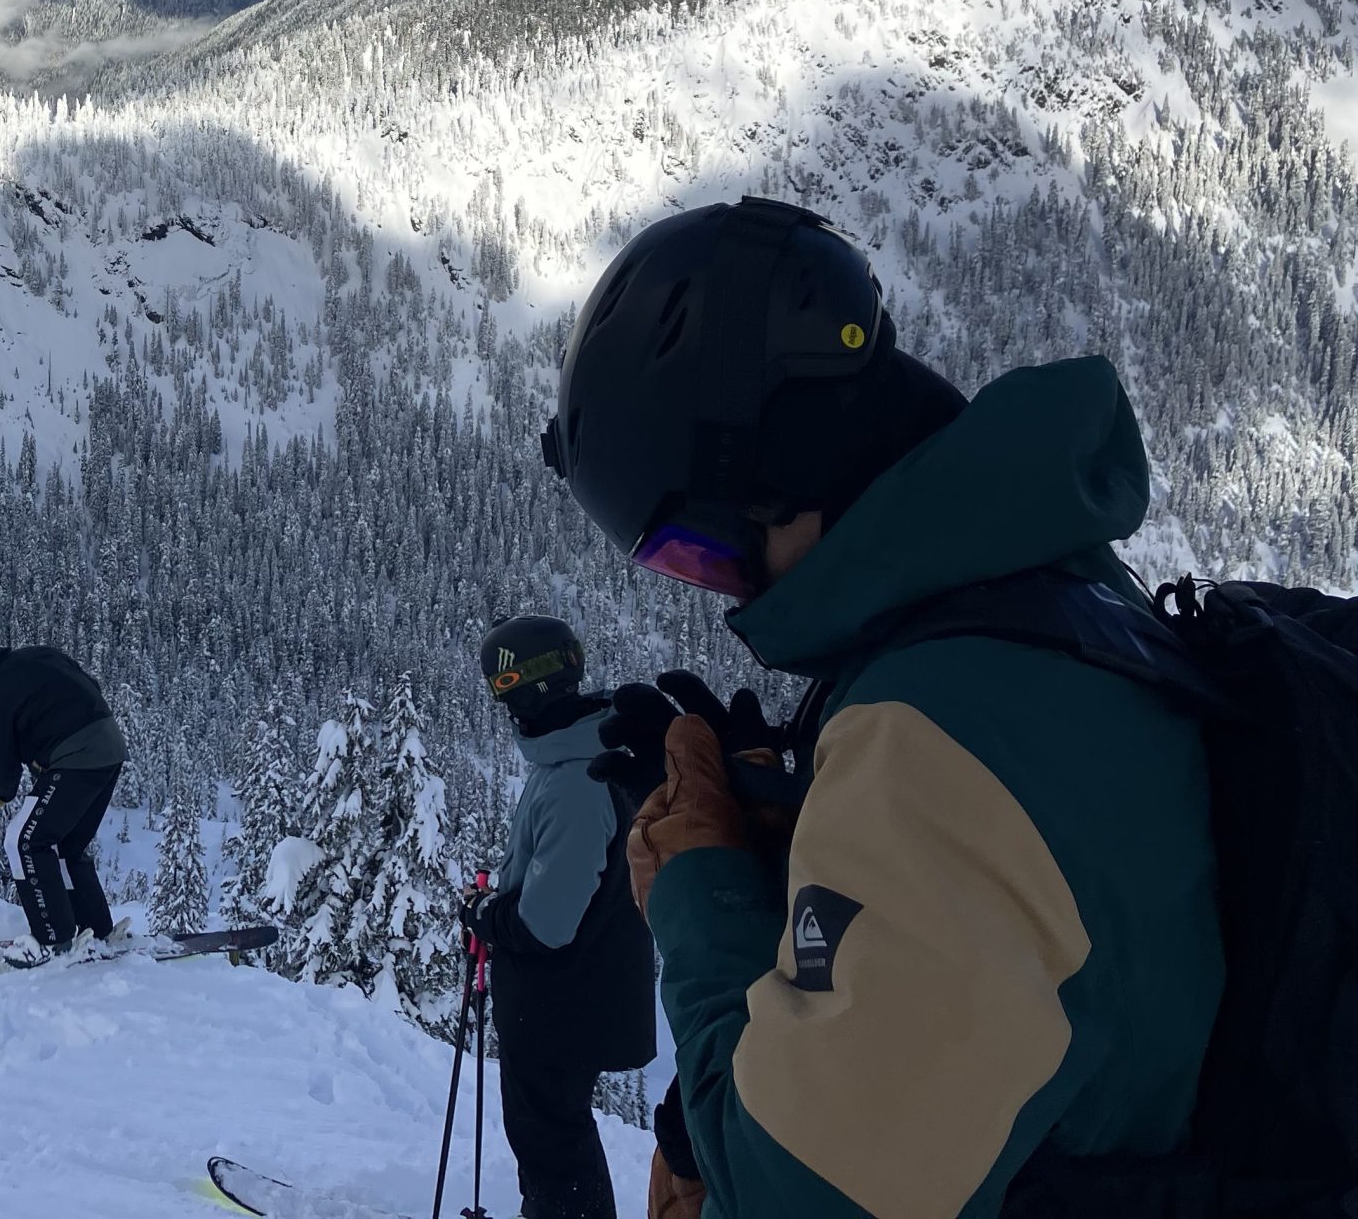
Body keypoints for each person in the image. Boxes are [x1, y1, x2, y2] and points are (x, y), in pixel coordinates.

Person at [539, 195, 1223, 1219]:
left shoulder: (937, 739)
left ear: (789, 471)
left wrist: (702, 885)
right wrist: (812, 836)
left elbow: (794, 1195)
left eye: (703, 553)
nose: (729, 590)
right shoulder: (1063, 606)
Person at [462, 613, 657, 1219]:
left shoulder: (576, 780)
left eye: (506, 688)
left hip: (560, 1000)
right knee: (552, 1131)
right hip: (573, 993)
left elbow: (547, 925)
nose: (504, 706)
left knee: (551, 1136)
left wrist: (487, 918)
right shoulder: (572, 761)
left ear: (531, 687)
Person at [0, 645, 128, 953]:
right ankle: (97, 930)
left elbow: (4, 769)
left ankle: (52, 940)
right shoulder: (26, 658)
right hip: (110, 747)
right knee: (67, 847)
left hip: (77, 756)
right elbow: (86, 685)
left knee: (23, 841)